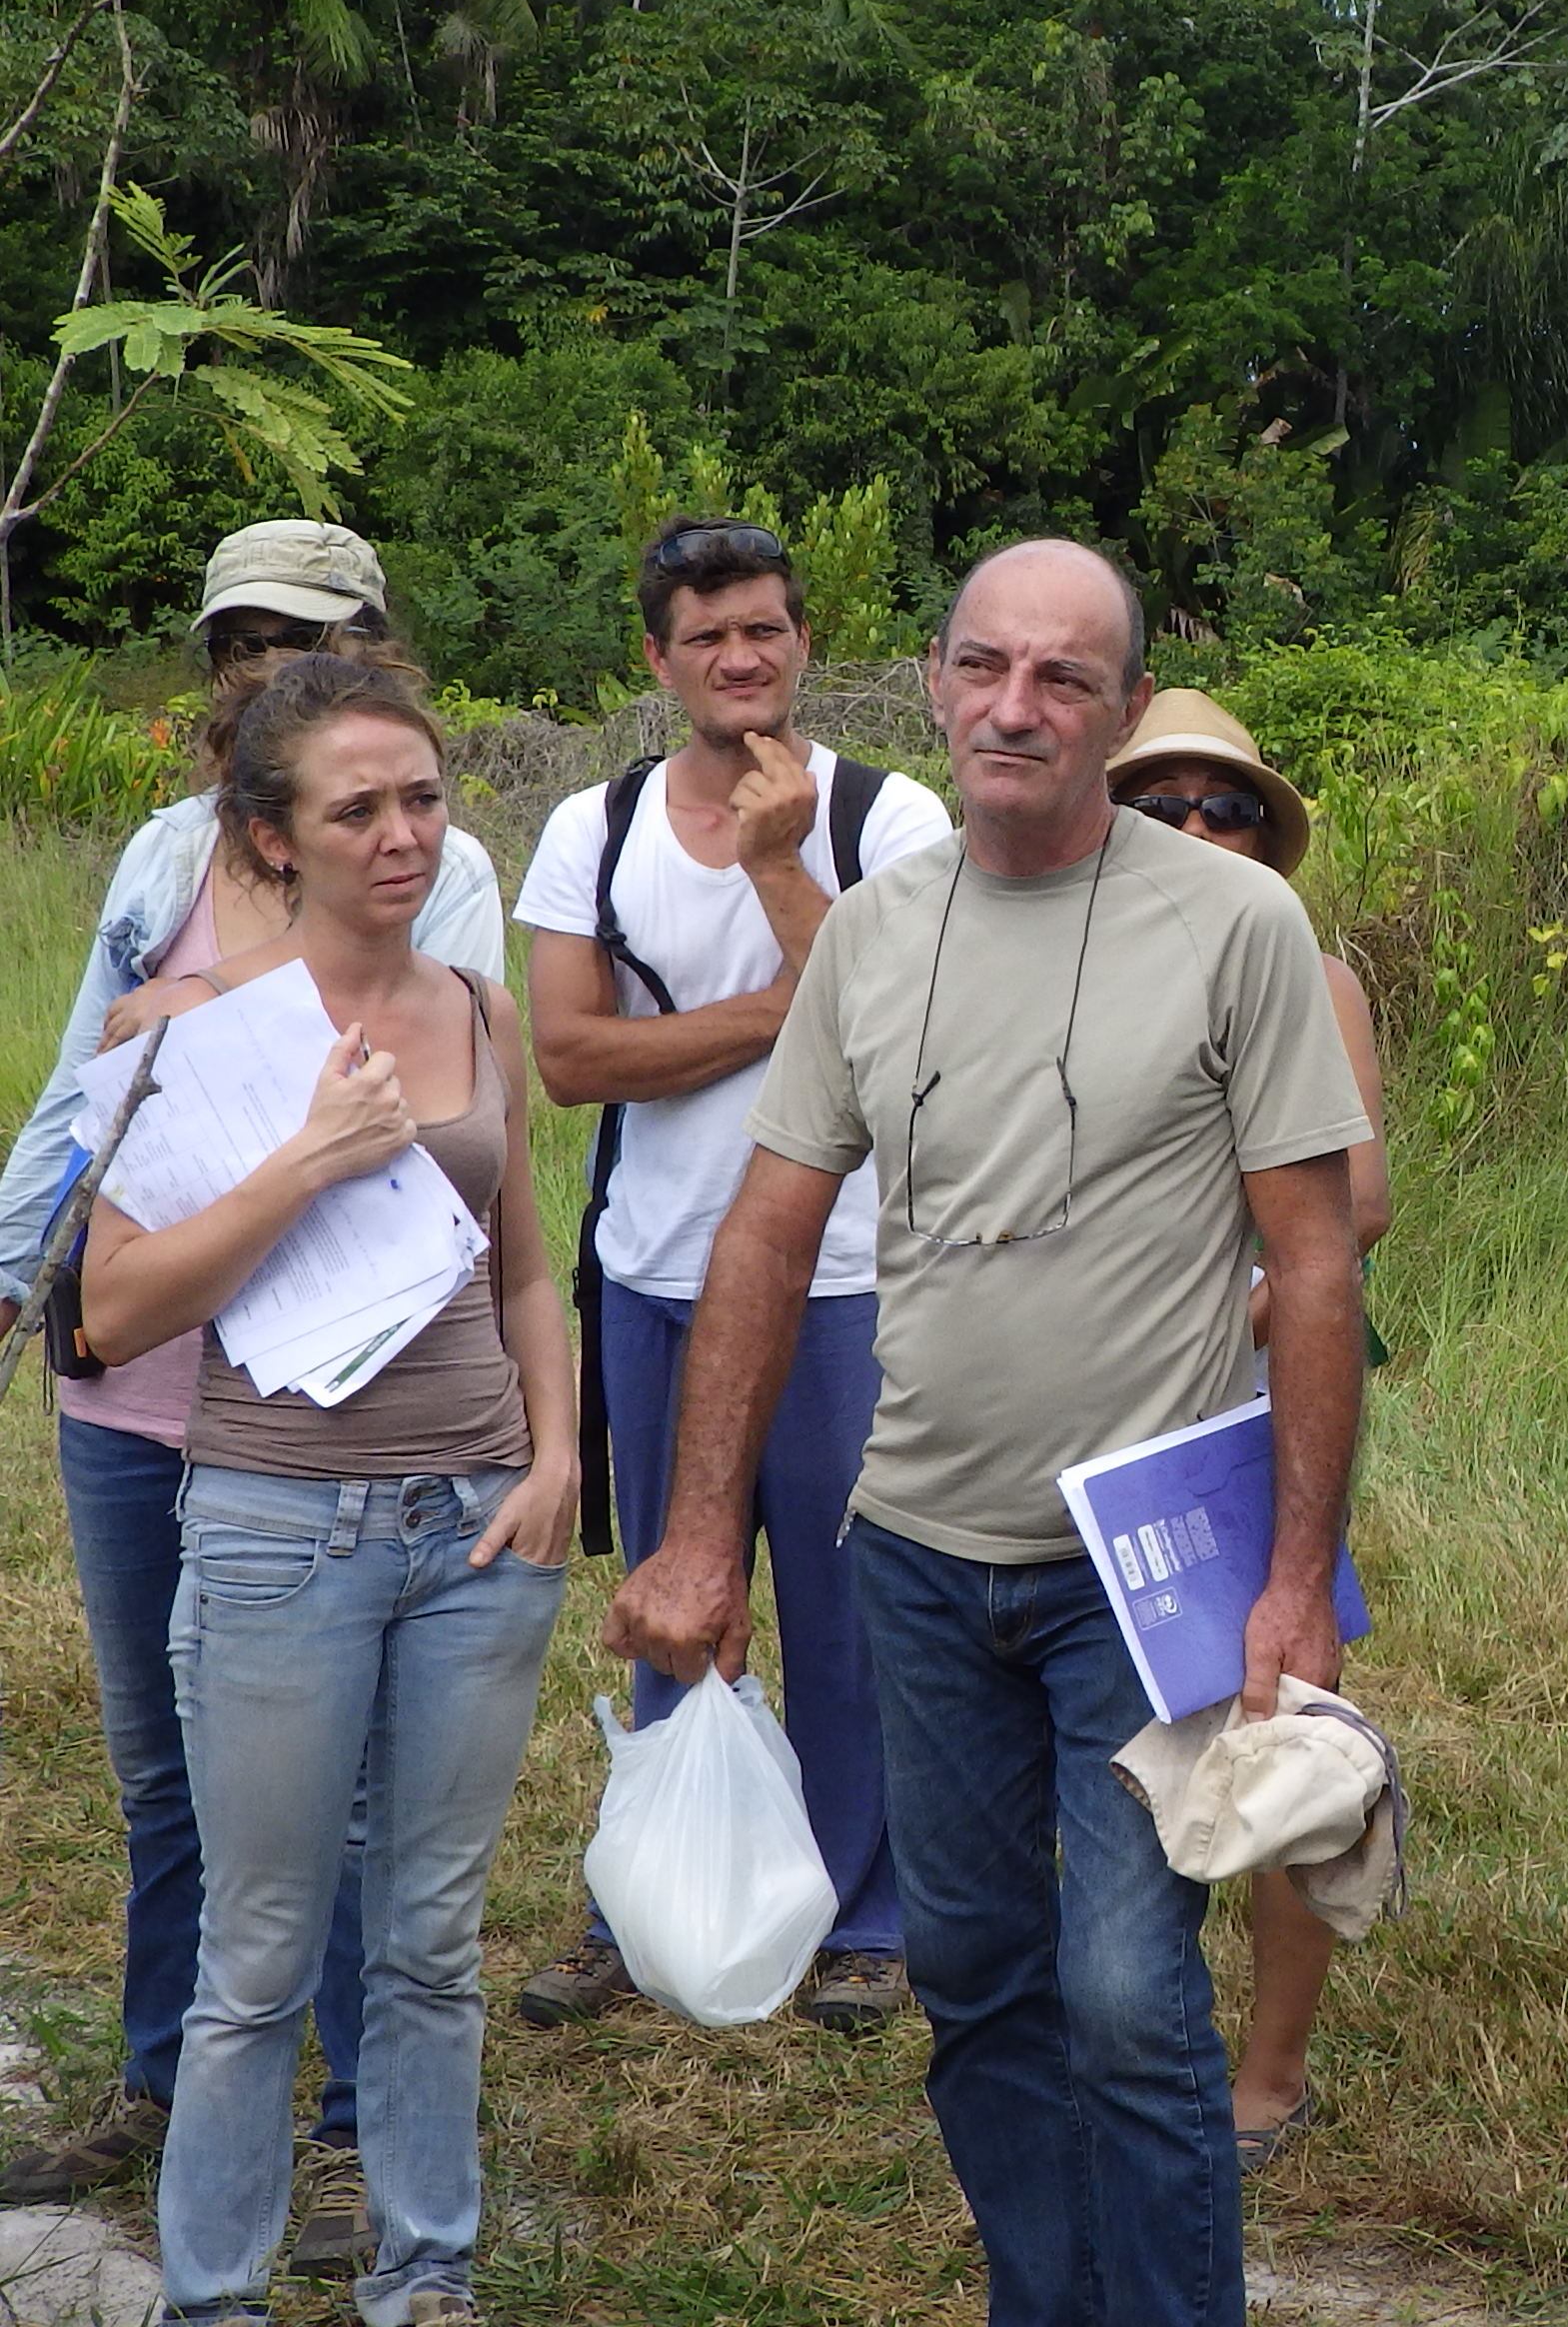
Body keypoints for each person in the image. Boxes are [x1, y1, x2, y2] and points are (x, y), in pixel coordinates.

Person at [603, 540, 1375, 2327]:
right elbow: (772, 1228)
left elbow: (1315, 1261)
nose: (1015, 708)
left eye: (1064, 680)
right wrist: (705, 1534)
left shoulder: (1235, 924)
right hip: (923, 1556)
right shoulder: (876, 928)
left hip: (1143, 1562)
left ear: (1115, 713)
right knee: (970, 1966)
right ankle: (1053, 2295)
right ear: (937, 679)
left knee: (1122, 1989)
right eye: (986, 668)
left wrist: (1297, 1582)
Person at [0, 524, 505, 2280]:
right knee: (176, 1789)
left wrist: (549, 1442)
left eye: (303, 633)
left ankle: (369, 2160)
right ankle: (173, 2122)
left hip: (372, 1446)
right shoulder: (157, 869)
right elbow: (89, 1109)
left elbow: (483, 1195)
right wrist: (20, 1277)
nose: (260, 658)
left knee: (375, 1850)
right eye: (239, 635)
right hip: (168, 1410)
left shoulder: (443, 892)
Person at [76, 648, 577, 2327]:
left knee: (431, 1943)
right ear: (269, 836)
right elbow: (115, 1309)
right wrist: (305, 1160)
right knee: (259, 1956)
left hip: (476, 1529)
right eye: (355, 808)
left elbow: (522, 1277)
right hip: (280, 1528)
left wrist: (557, 1458)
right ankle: (210, 2295)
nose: (402, 837)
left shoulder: (481, 1010)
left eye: (424, 799)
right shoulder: (189, 1036)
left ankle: (424, 2276)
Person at [508, 518, 948, 2035]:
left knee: (847, 1611)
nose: (742, 658)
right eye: (709, 638)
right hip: (651, 1267)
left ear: (804, 641)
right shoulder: (597, 825)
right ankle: (650, 1904)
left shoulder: (890, 819)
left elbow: (896, 1041)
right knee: (668, 1604)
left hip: (845, 1277)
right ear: (657, 659)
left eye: (765, 629)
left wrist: (777, 866)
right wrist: (787, 1010)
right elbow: (569, 1059)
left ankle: (864, 1918)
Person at [1101, 689, 1391, 2167]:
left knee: (1277, 1718)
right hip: (1104, 1413)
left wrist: (1247, 1274)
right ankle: (1121, 2027)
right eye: (1164, 806)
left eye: (1226, 809)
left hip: (1253, 1401)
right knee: (1113, 1726)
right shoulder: (1068, 959)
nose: (1199, 831)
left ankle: (1268, 2073)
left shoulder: (1307, 972)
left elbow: (1362, 1201)